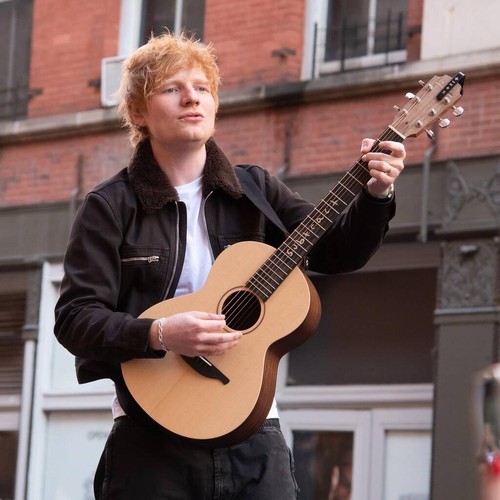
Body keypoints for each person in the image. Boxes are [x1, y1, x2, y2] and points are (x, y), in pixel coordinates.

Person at [54, 32, 406, 499]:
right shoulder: (111, 206)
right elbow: (75, 318)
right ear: (138, 112)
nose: (192, 98)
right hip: (152, 436)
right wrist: (159, 334)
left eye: (202, 87)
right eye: (172, 88)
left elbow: (337, 252)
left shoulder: (255, 190)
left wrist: (377, 194)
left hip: (255, 434)